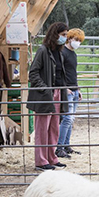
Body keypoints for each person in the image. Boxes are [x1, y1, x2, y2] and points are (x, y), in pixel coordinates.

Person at [29, 22, 69, 172]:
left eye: (66, 35)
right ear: (55, 34)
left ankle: (52, 157)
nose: (65, 38)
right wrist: (44, 89)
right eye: (63, 35)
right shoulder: (43, 51)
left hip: (57, 92)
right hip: (45, 95)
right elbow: (33, 72)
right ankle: (40, 160)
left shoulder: (59, 52)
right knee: (42, 128)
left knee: (54, 128)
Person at [56, 28, 84, 158]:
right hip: (66, 90)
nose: (77, 42)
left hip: (73, 89)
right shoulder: (63, 52)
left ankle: (66, 145)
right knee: (67, 118)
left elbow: (73, 73)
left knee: (70, 120)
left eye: (79, 41)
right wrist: (64, 87)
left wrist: (77, 89)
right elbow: (59, 72)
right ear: (69, 38)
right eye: (76, 39)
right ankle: (59, 147)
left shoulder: (73, 54)